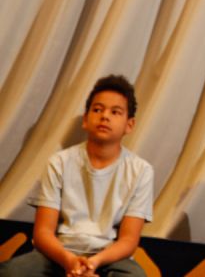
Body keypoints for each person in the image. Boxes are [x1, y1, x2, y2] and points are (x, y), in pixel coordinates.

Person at [0, 75, 154, 277]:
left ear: (129, 125)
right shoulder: (59, 162)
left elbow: (129, 240)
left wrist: (94, 263)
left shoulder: (141, 171)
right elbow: (43, 232)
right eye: (97, 110)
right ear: (85, 119)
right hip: (60, 251)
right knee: (11, 272)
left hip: (110, 257)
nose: (105, 116)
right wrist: (70, 261)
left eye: (115, 112)